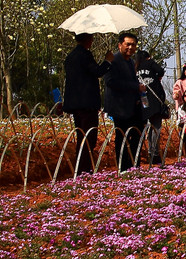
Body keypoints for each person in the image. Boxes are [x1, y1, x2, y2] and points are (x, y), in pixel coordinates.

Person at [62, 32, 113, 175]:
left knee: (81, 136)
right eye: (91, 39)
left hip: (75, 103)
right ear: (87, 40)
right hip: (87, 103)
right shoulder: (85, 55)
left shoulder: (70, 56)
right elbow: (97, 71)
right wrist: (107, 61)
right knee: (88, 137)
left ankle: (82, 167)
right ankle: (83, 169)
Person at [104, 32, 144, 172]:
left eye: (133, 45)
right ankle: (123, 167)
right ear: (120, 45)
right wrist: (134, 87)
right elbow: (110, 82)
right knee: (122, 137)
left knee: (136, 134)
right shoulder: (113, 60)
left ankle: (134, 165)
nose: (130, 47)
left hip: (133, 106)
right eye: (128, 44)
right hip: (119, 106)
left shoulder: (131, 62)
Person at [137, 50, 167, 165]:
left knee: (147, 126)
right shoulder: (149, 63)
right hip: (154, 101)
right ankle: (154, 153)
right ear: (148, 57)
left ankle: (145, 152)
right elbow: (160, 71)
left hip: (143, 99)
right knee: (156, 126)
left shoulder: (135, 66)